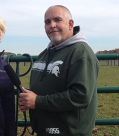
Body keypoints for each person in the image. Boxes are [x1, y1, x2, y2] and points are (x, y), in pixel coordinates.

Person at [19, 5, 99, 136]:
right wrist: (28, 100)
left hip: (68, 132)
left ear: (70, 24)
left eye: (57, 20)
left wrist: (37, 101)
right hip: (44, 129)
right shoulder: (45, 53)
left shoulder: (80, 52)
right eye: (47, 22)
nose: (52, 25)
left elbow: (80, 96)